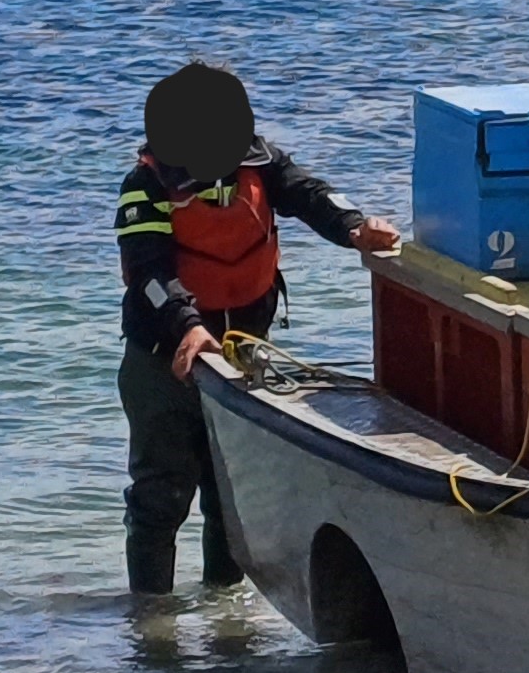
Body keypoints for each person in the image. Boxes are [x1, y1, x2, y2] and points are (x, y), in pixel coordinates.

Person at [117, 60, 400, 596]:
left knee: (232, 499)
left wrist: (356, 226)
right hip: (163, 366)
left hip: (240, 365)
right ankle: (151, 632)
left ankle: (226, 628)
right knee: (160, 499)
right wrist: (189, 329)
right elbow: (149, 276)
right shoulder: (145, 186)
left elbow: (310, 194)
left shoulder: (259, 161)